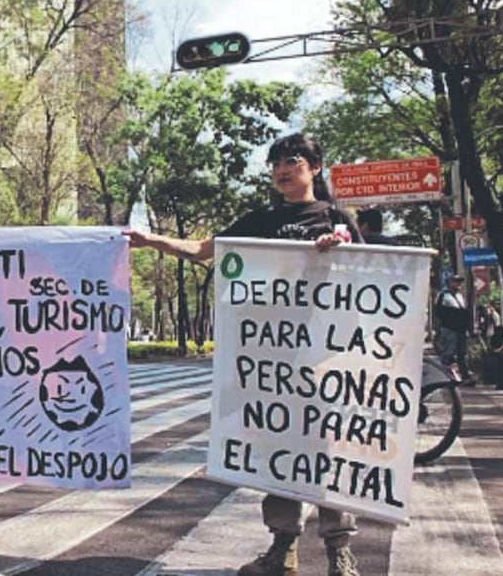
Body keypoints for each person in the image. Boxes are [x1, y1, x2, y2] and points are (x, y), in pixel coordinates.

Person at [126, 133, 362, 576]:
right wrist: (149, 239)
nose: (281, 168)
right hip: (272, 362)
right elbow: (200, 250)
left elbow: (368, 279)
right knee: (280, 451)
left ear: (314, 166)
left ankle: (339, 552)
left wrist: (343, 248)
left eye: (291, 159)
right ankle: (282, 549)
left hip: (327, 359)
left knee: (330, 453)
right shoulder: (258, 221)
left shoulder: (336, 218)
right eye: (274, 162)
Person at [436, 274, 473, 386]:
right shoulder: (444, 296)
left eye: (459, 282)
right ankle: (442, 377)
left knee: (462, 353)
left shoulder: (460, 296)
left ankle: (464, 376)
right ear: (450, 283)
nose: (458, 284)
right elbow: (439, 312)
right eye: (456, 281)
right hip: (449, 328)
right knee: (448, 353)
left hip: (460, 329)